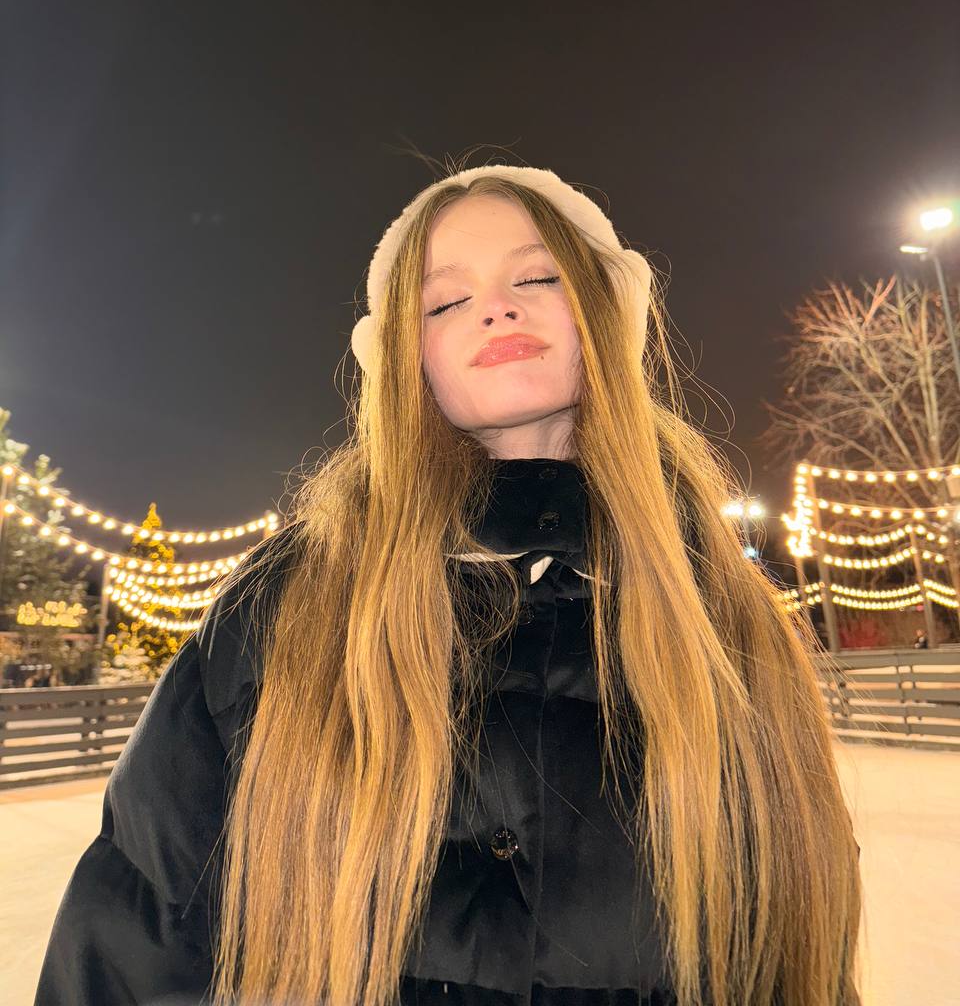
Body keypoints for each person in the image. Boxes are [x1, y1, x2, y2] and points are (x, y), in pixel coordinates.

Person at [34, 159, 863, 1006]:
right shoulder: (284, 603)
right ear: (408, 359)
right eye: (445, 302)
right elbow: (135, 936)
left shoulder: (721, 608)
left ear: (604, 313)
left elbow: (801, 950)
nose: (497, 308)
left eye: (536, 277)